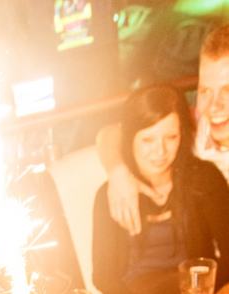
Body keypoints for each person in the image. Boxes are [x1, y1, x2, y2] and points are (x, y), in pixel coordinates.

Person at [92, 84, 229, 294]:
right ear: (130, 139)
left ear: (182, 135)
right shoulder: (111, 194)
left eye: (171, 137)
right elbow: (104, 277)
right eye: (148, 139)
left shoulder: (204, 179)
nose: (160, 151)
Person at [98, 23, 229, 237]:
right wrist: (118, 172)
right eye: (205, 91)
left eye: (227, 91)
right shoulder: (197, 125)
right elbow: (110, 134)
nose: (214, 106)